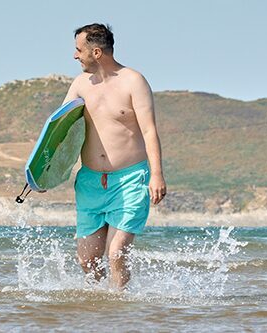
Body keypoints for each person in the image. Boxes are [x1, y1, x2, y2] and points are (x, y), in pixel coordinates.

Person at [64, 23, 167, 291]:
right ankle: (101, 312)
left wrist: (156, 174)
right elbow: (59, 130)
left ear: (96, 52)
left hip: (130, 178)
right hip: (90, 182)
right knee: (87, 260)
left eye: (79, 50)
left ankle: (120, 309)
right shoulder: (79, 85)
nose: (75, 56)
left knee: (116, 254)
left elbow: (149, 130)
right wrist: (42, 172)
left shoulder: (133, 81)